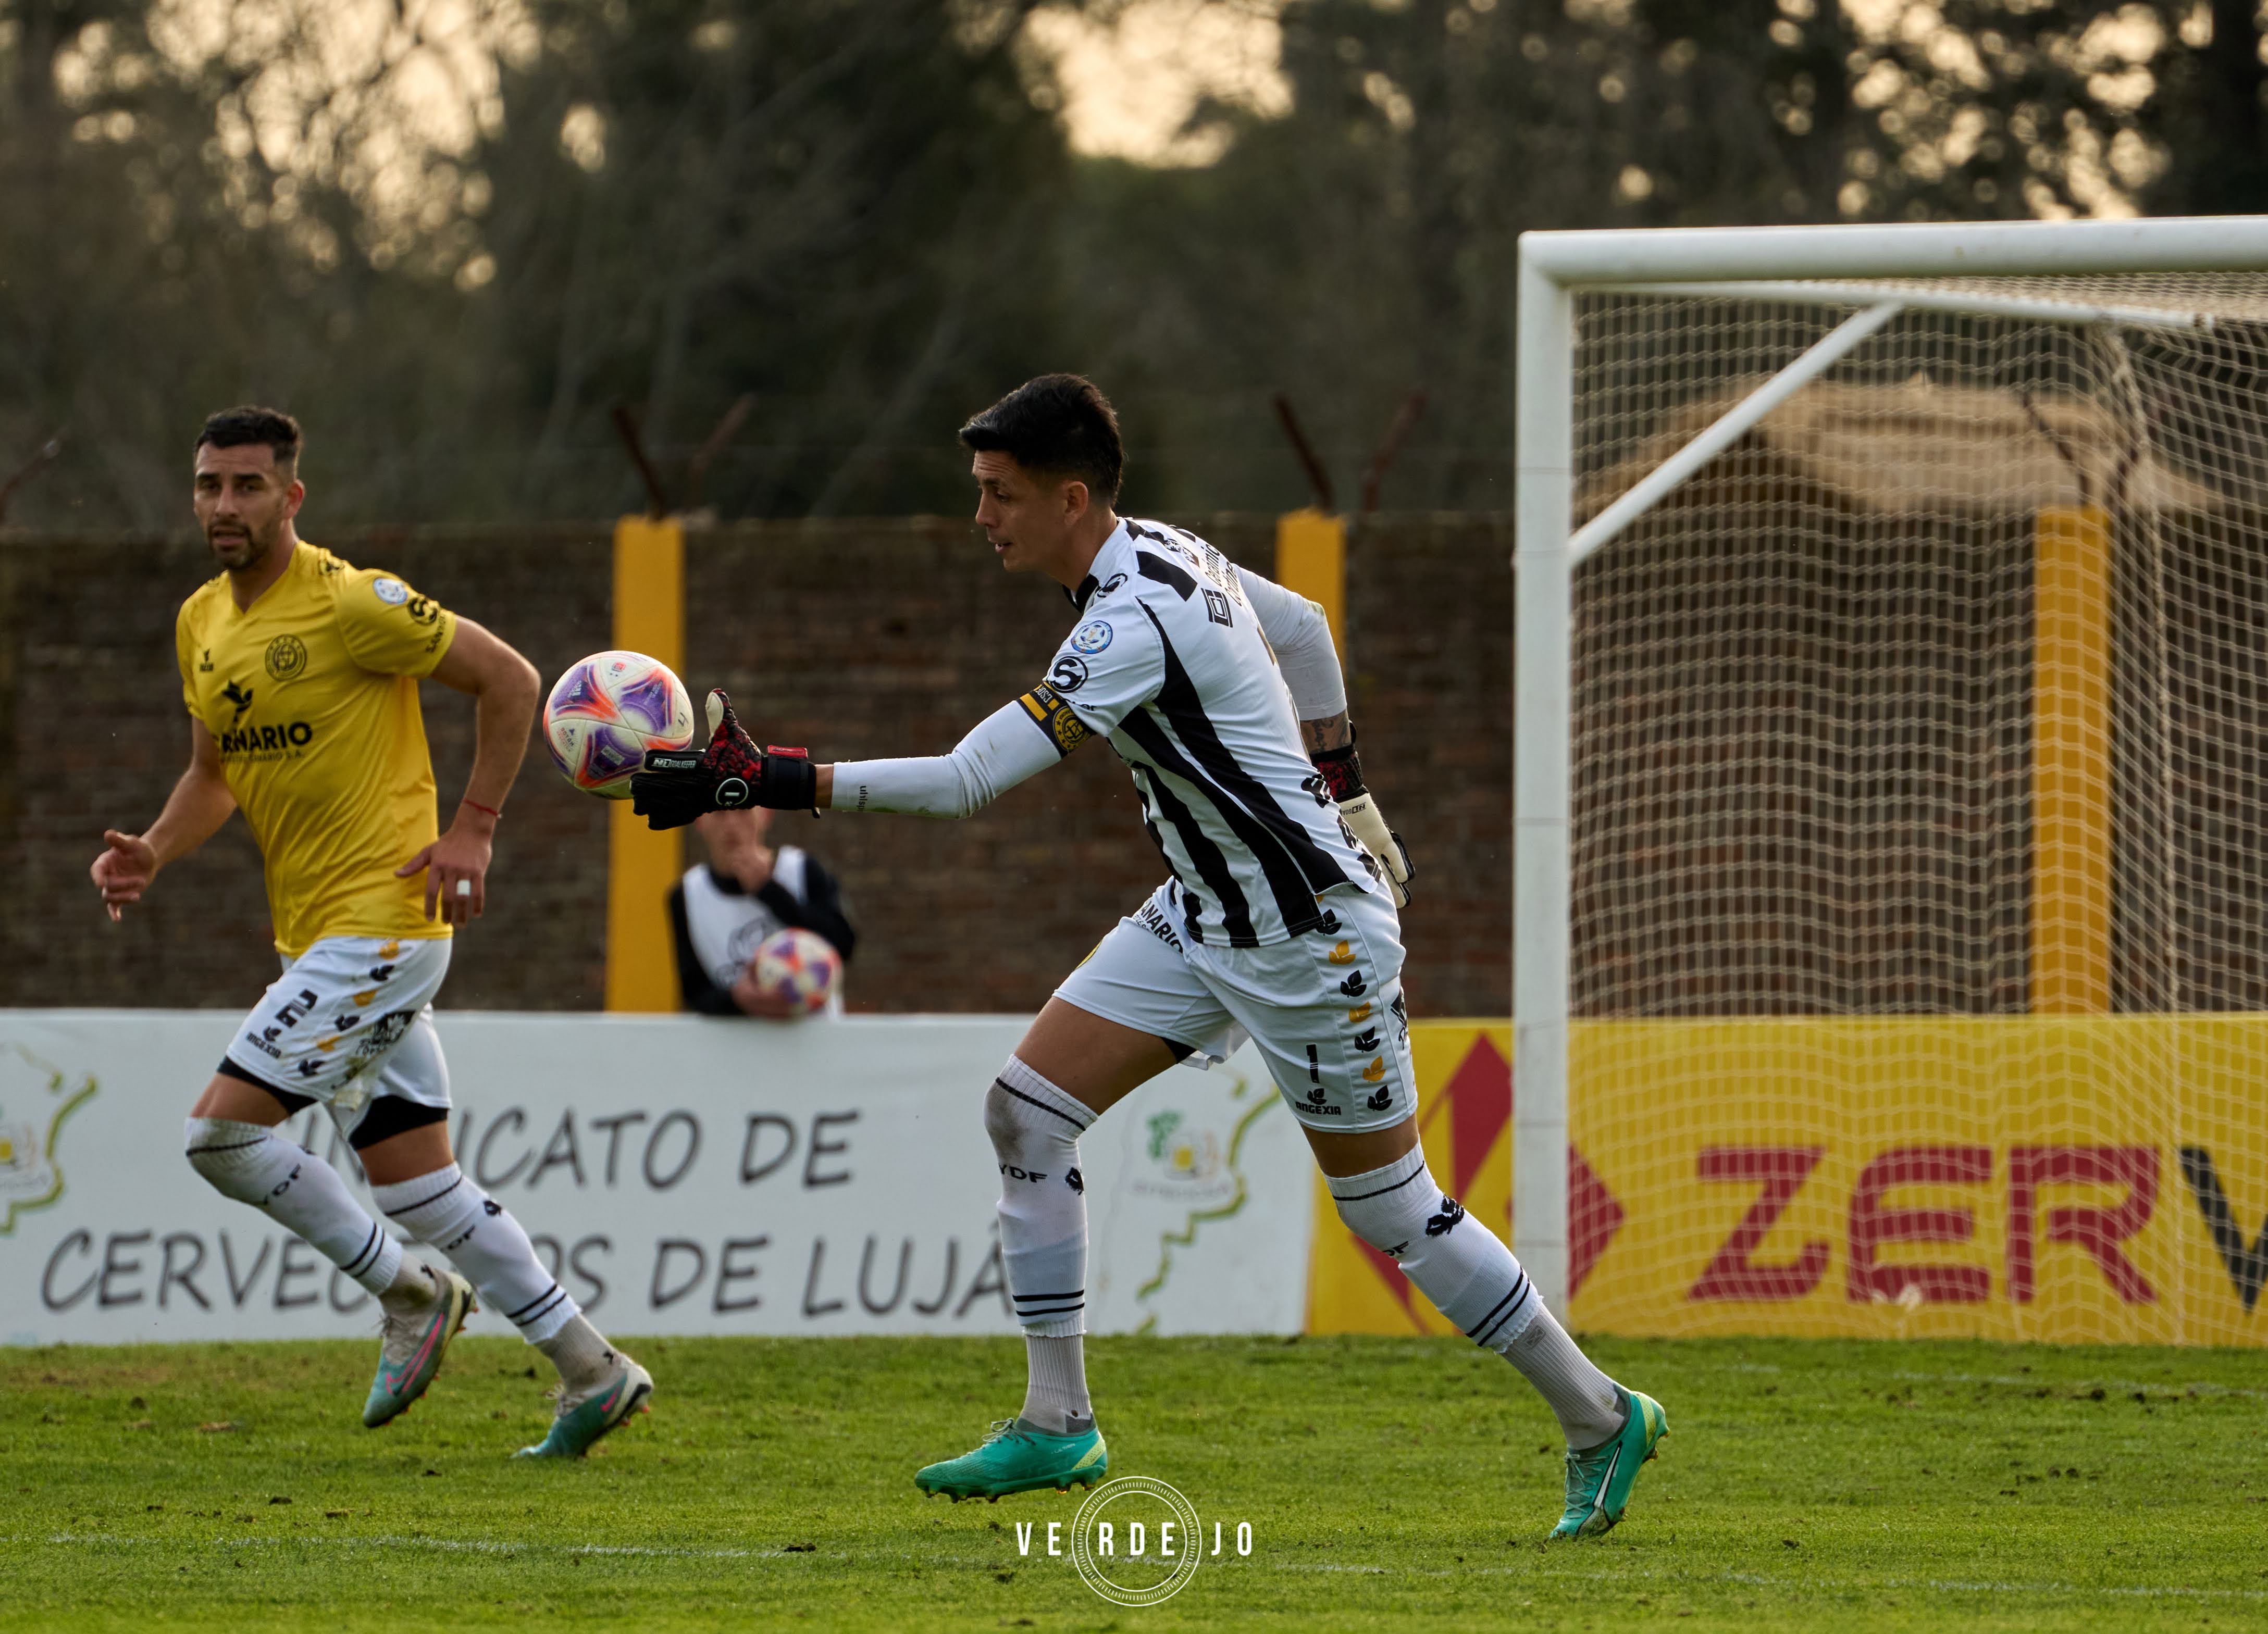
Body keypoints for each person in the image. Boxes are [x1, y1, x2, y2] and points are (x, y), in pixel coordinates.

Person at [630, 375, 1668, 1538]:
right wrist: (1347, 785)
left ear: (1072, 497)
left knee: (1393, 1211)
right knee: (1025, 1109)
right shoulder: (1162, 548)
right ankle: (1056, 1419)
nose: (983, 516)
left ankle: (1598, 1412)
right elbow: (1305, 628)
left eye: (999, 494)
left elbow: (969, 781)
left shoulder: (1129, 623)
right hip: (1199, 915)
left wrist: (764, 775)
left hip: (1304, 943)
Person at [90, 406, 652, 1458]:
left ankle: (404, 1292)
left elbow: (512, 679)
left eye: (249, 485)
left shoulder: (353, 602)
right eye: (210, 484)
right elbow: (214, 775)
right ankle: (591, 1366)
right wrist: (155, 849)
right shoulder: (201, 622)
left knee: (221, 1134)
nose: (225, 504)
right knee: (416, 1184)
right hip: (318, 941)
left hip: (385, 924)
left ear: (292, 496)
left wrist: (472, 828)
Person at [670, 807, 857, 1016]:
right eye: (719, 812)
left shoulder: (800, 869)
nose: (731, 823)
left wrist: (768, 890)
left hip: (813, 1038)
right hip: (737, 1045)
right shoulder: (687, 895)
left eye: (744, 810)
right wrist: (738, 999)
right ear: (699, 820)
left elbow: (843, 945)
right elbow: (694, 992)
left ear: (766, 814)